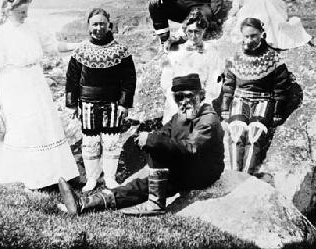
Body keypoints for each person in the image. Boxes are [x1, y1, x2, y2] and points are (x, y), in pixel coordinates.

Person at [0, 0, 79, 190]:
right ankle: (29, 176)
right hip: (14, 87)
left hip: (36, 84)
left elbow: (53, 46)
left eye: (27, 11)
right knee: (23, 129)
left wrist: (78, 45)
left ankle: (54, 174)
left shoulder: (34, 28)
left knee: (43, 126)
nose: (25, 15)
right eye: (21, 12)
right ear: (8, 11)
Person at [58, 73, 225, 216]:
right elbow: (163, 134)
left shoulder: (207, 119)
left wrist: (152, 140)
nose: (184, 101)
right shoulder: (181, 115)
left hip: (203, 172)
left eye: (189, 96)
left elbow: (191, 148)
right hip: (186, 167)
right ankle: (84, 203)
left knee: (155, 152)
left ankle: (155, 205)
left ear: (201, 95)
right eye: (180, 97)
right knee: (143, 183)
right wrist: (146, 138)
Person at [65, 8, 137, 192]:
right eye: (94, 24)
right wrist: (72, 105)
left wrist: (124, 103)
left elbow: (129, 79)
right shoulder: (80, 51)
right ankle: (91, 179)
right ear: (88, 26)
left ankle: (110, 178)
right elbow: (72, 80)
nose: (98, 28)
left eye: (102, 24)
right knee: (90, 142)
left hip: (113, 103)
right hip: (87, 104)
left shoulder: (120, 51)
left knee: (111, 141)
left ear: (109, 25)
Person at [220, 18, 294, 175]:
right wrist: (225, 107)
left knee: (255, 134)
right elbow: (228, 84)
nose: (249, 40)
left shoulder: (273, 58)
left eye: (253, 35)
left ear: (262, 34)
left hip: (263, 99)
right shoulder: (235, 56)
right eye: (246, 36)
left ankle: (246, 176)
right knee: (236, 132)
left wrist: (277, 112)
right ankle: (234, 175)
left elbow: (280, 87)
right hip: (240, 98)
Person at [160, 9, 224, 124]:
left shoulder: (211, 52)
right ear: (185, 31)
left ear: (204, 31)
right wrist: (175, 102)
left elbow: (215, 81)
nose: (193, 36)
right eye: (190, 31)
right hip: (177, 101)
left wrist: (204, 101)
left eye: (197, 32)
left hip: (202, 101)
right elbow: (166, 81)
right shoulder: (175, 52)